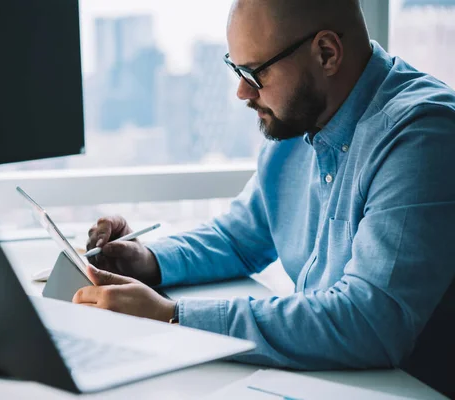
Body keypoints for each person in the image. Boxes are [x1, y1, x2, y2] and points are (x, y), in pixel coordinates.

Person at [73, 0, 455, 396]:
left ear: (327, 53)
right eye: (236, 69)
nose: (241, 91)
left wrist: (172, 317)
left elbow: (368, 322)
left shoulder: (422, 136)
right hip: (327, 380)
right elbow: (238, 238)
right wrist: (147, 260)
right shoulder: (301, 120)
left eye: (254, 73)